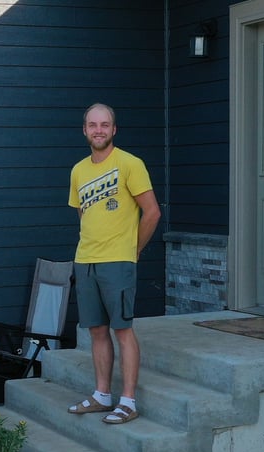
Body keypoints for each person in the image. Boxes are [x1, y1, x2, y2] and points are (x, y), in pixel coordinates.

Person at [67, 103, 162, 424]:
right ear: (85, 130)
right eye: (93, 125)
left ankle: (129, 401)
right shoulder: (78, 170)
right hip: (85, 261)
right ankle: (102, 395)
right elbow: (83, 214)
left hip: (117, 262)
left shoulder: (130, 164)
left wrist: (133, 251)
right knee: (97, 330)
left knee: (122, 329)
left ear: (114, 130)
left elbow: (152, 213)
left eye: (104, 125)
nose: (99, 130)